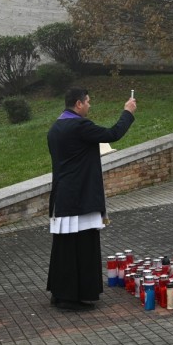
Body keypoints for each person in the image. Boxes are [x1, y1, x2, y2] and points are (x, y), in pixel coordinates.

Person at [46, 87, 136, 312]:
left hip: (63, 196)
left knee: (64, 249)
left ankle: (60, 293)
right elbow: (112, 134)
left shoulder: (56, 127)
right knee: (82, 249)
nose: (89, 105)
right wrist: (128, 112)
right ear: (78, 104)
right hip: (80, 198)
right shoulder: (79, 126)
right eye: (88, 101)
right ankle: (72, 298)